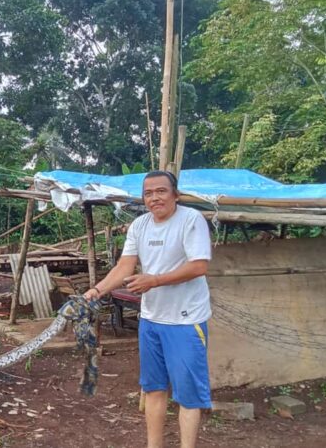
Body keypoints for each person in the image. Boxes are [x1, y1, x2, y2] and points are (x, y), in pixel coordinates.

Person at [83, 171, 212, 448]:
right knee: (153, 389)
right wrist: (96, 291)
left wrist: (154, 280)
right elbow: (124, 267)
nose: (155, 198)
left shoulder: (191, 220)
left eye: (161, 191)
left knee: (188, 396)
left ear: (175, 194)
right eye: (149, 193)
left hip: (185, 321)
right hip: (152, 319)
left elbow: (199, 265)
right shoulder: (139, 226)